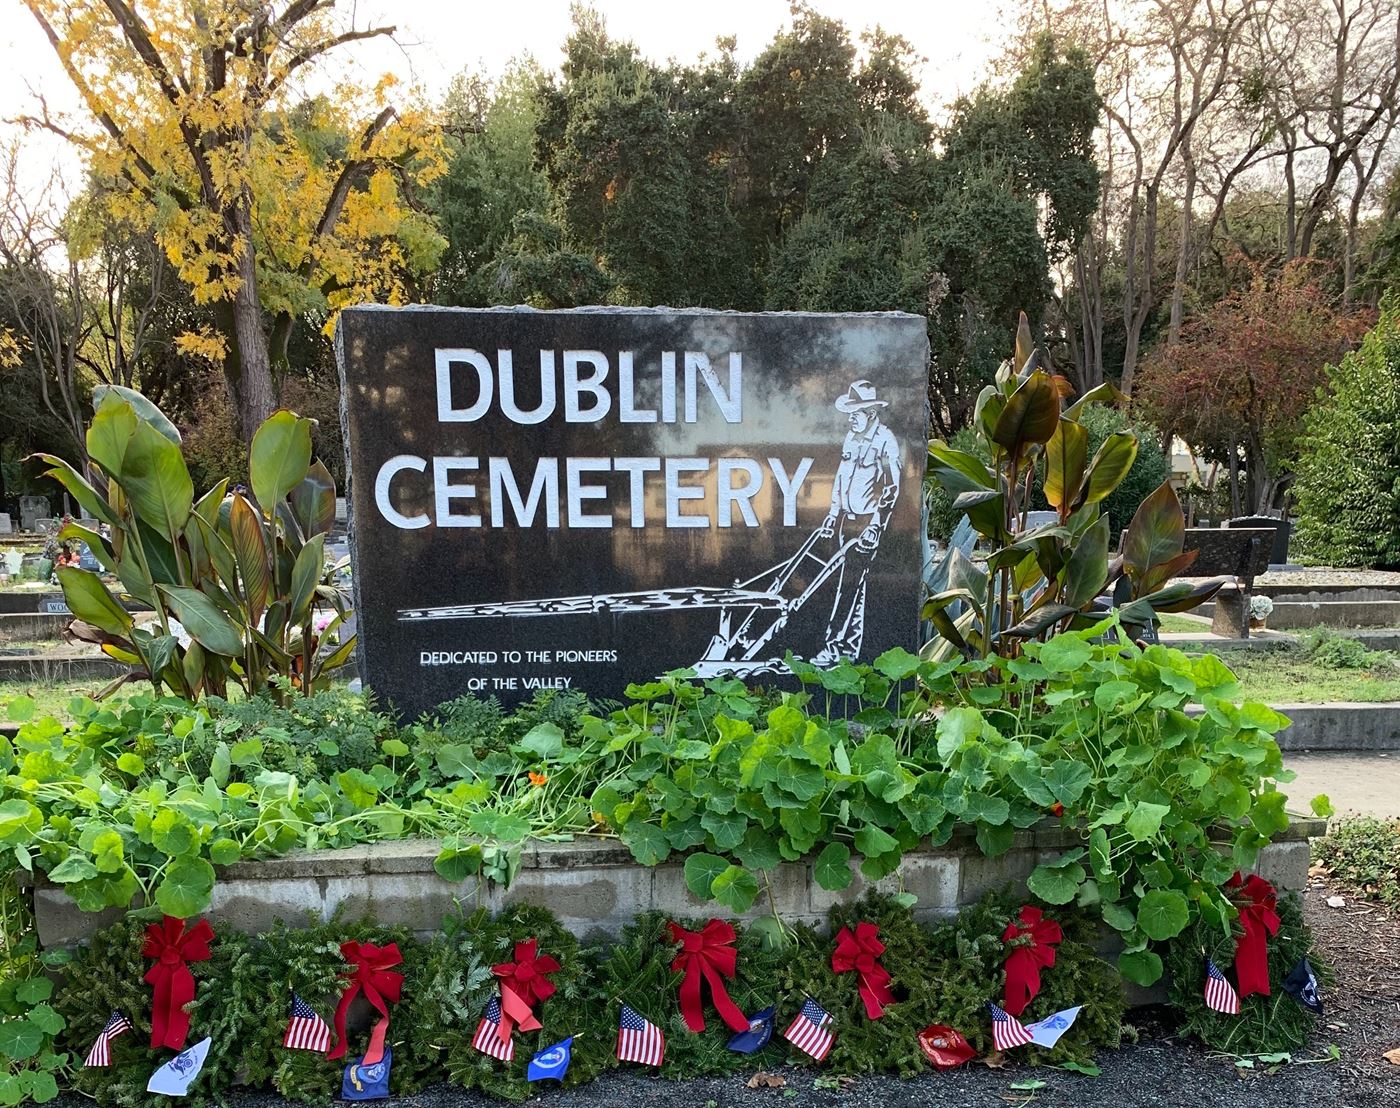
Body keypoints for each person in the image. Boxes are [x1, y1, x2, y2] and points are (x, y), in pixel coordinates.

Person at [812, 380, 901, 665]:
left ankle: (832, 646)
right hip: (844, 522)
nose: (850, 417)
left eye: (856, 412)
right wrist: (831, 515)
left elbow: (892, 488)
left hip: (867, 523)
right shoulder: (851, 439)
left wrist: (876, 525)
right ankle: (849, 651)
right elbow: (840, 480)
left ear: (871, 414)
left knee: (848, 585)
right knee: (852, 585)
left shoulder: (886, 441)